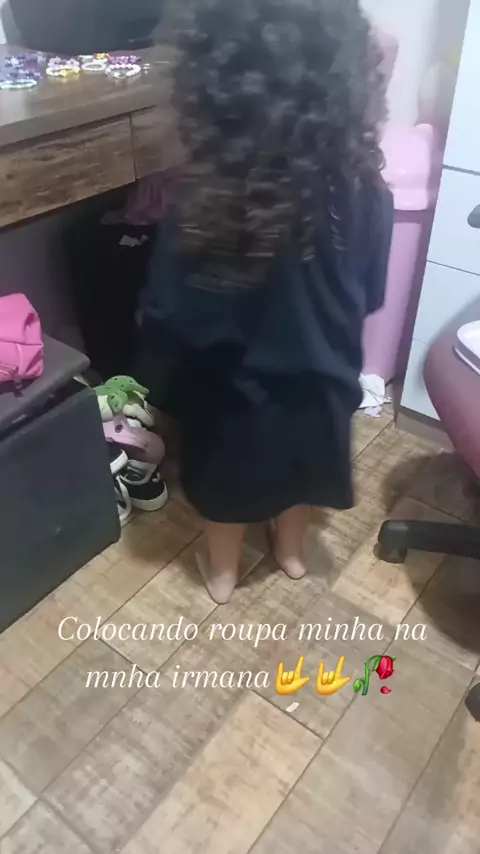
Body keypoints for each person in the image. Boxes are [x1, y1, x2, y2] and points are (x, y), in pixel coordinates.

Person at [139, 0, 394, 604]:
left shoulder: (203, 205)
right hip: (321, 386)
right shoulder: (365, 192)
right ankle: (292, 552)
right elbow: (370, 294)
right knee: (302, 473)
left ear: (213, 84)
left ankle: (223, 574)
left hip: (229, 398)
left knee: (224, 486)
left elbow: (172, 318)